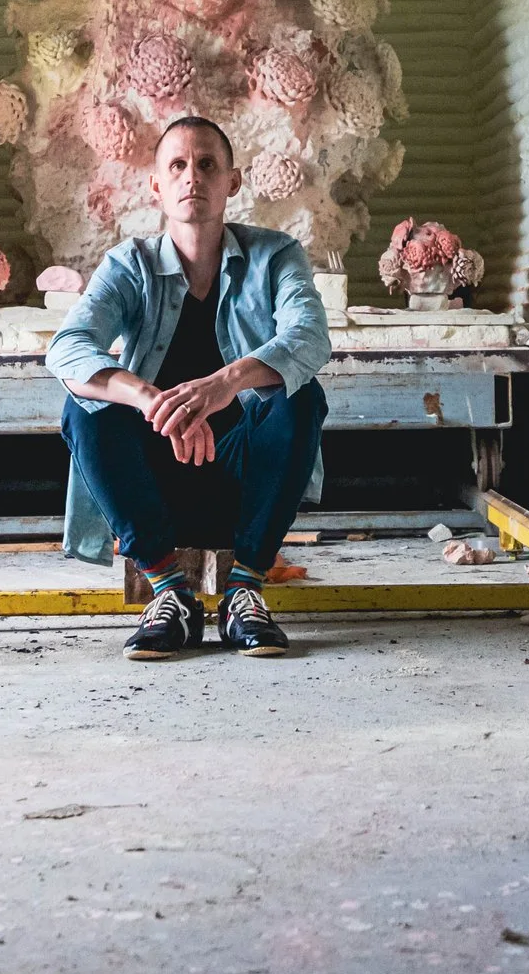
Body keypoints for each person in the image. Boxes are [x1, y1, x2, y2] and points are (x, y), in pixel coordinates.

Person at [46, 117, 331, 659]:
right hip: (152, 486)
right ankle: (170, 596)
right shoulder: (129, 265)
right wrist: (151, 399)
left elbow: (310, 335)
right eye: (176, 165)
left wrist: (225, 384)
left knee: (303, 396)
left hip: (247, 483)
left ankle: (244, 591)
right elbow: (66, 348)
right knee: (84, 406)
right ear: (156, 186)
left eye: (207, 165)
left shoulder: (276, 255)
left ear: (233, 181)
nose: (191, 177)